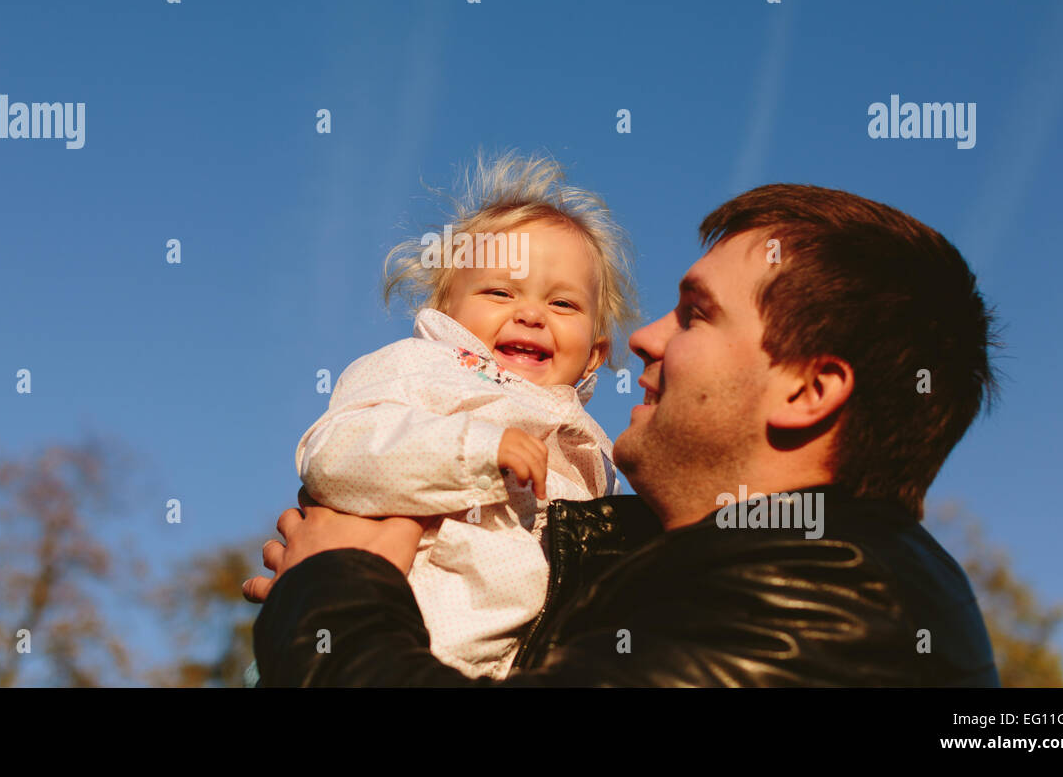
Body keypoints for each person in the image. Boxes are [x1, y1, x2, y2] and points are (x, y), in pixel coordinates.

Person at [245, 183, 1004, 687]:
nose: (643, 337)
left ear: (808, 390)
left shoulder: (832, 600)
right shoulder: (700, 574)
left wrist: (336, 592)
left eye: (697, 313)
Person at [290, 152, 641, 678]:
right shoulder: (423, 369)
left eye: (563, 305)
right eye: (500, 292)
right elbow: (335, 453)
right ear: (446, 311)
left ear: (594, 353)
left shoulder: (592, 452)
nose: (530, 313)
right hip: (393, 638)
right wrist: (474, 449)